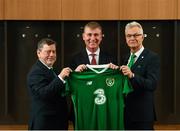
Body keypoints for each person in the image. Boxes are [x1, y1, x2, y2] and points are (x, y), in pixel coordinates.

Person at [120, 21, 160, 130]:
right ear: (126, 38)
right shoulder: (125, 58)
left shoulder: (152, 57)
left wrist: (132, 75)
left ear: (142, 37)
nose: (132, 38)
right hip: (125, 114)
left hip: (143, 116)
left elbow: (152, 84)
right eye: (129, 35)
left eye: (136, 35)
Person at [27, 38, 72, 130]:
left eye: (54, 51)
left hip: (56, 123)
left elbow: (58, 88)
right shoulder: (35, 72)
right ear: (38, 53)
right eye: (48, 52)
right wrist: (60, 77)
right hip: (45, 125)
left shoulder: (51, 69)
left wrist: (75, 74)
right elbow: (44, 94)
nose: (51, 55)